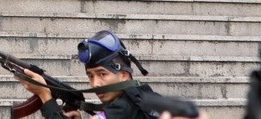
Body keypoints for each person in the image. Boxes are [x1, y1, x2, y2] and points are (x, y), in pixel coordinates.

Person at [17, 29, 209, 119]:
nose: (96, 84)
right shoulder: (140, 95)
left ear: (124, 75)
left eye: (102, 74)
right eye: (91, 76)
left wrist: (44, 95)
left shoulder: (121, 107)